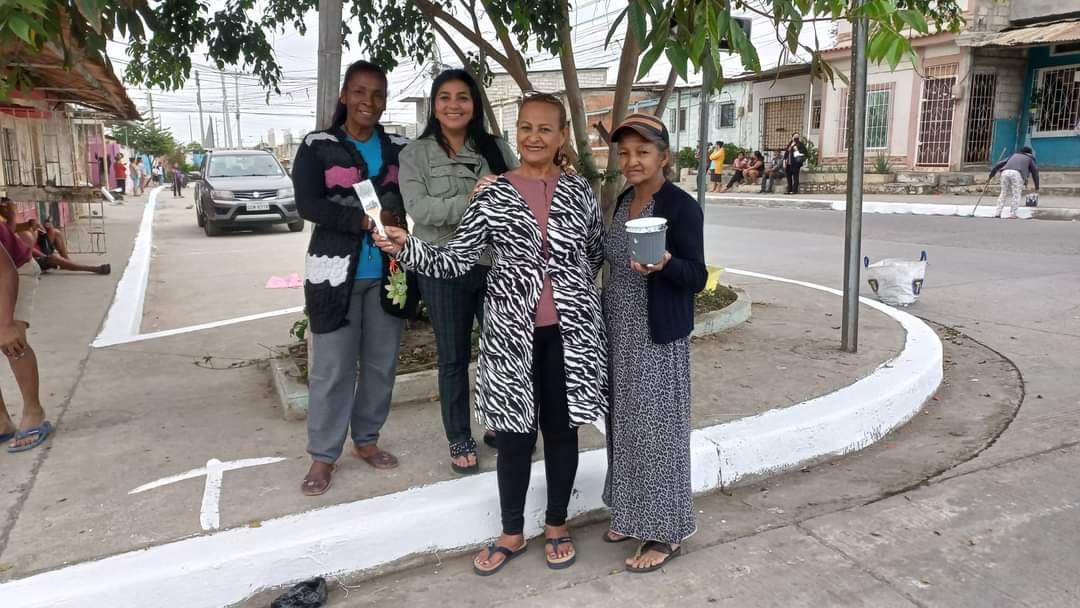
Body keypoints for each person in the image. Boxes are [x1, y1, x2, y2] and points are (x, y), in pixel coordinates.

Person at [375, 92, 607, 576]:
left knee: (562, 431)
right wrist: (407, 247)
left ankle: (557, 524)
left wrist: (569, 290)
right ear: (515, 132)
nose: (534, 137)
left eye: (545, 128)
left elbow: (594, 250)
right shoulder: (493, 193)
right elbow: (457, 259)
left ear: (562, 135)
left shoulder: (580, 191)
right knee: (516, 434)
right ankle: (511, 532)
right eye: (525, 127)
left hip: (570, 335)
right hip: (510, 335)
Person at [291, 59, 411, 496]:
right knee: (332, 368)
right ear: (344, 95)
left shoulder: (400, 147)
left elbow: (417, 190)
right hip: (334, 275)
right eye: (360, 91)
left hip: (390, 272)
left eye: (378, 94)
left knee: (381, 364)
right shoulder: (318, 145)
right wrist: (361, 221)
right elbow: (308, 204)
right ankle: (323, 455)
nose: (369, 101)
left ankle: (366, 440)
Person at [398, 69, 518, 475]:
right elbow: (420, 209)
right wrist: (473, 198)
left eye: (463, 97)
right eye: (445, 97)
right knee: (453, 356)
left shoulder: (496, 148)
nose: (454, 105)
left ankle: (501, 423)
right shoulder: (415, 154)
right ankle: (459, 436)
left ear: (475, 104)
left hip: (495, 263)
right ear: (434, 106)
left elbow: (516, 195)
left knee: (502, 351)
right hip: (441, 266)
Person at [602, 113, 706, 573]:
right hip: (619, 331)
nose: (632, 160)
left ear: (663, 156)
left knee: (658, 433)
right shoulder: (624, 200)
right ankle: (629, 513)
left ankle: (667, 532)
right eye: (624, 153)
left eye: (643, 152)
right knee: (624, 426)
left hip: (656, 336)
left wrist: (665, 264)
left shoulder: (681, 207)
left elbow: (697, 276)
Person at [0, 220, 53, 453]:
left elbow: (6, 272)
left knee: (12, 342)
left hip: (15, 269)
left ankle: (34, 413)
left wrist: (6, 324)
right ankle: (2, 422)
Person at [990, 146, 1040, 219]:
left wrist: (991, 175)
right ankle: (1013, 214)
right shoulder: (1030, 158)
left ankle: (997, 213)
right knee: (1016, 194)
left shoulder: (1013, 155)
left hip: (1005, 172)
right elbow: (1035, 172)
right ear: (1030, 153)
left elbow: (998, 165)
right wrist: (1037, 187)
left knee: (1003, 193)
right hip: (1017, 173)